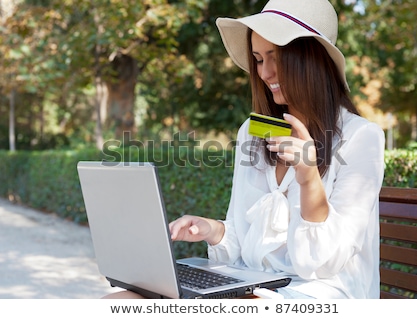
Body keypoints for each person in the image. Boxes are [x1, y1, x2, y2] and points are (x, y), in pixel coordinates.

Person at [105, 0, 385, 299]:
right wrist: (213, 231)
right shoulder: (254, 134)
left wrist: (309, 178)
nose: (265, 73)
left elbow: (320, 262)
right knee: (115, 301)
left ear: (312, 59)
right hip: (254, 285)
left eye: (275, 57)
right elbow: (241, 236)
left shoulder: (361, 138)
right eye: (258, 59)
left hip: (321, 293)